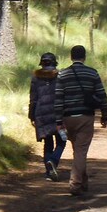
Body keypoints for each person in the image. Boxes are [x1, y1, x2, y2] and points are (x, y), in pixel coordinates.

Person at [54, 45, 107, 195]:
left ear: (71, 57)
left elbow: (58, 99)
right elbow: (102, 95)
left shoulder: (62, 75)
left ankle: (83, 182)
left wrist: (58, 121)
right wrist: (104, 115)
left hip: (67, 118)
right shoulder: (92, 73)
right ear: (84, 57)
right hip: (85, 117)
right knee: (80, 151)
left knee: (78, 150)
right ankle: (75, 184)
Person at [29, 52, 65, 181]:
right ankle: (53, 161)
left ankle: (48, 171)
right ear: (54, 63)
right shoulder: (61, 76)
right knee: (62, 140)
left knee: (48, 142)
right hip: (58, 114)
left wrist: (31, 116)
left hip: (41, 114)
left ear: (42, 63)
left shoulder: (35, 78)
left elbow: (33, 99)